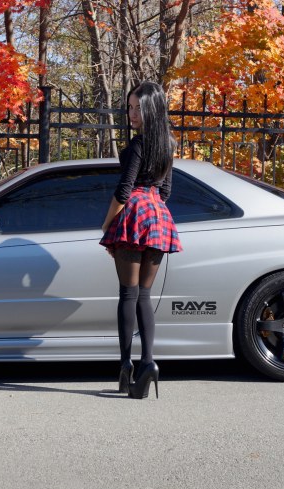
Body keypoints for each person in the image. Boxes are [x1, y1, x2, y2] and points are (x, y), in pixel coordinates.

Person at [100, 81, 182, 400]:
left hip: (134, 212)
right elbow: (166, 192)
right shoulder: (167, 145)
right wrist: (153, 207)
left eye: (137, 108)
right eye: (130, 107)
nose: (131, 113)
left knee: (128, 294)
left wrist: (108, 229)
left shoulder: (138, 144)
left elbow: (123, 190)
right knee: (145, 296)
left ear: (151, 109)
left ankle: (125, 366)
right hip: (160, 217)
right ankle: (148, 362)